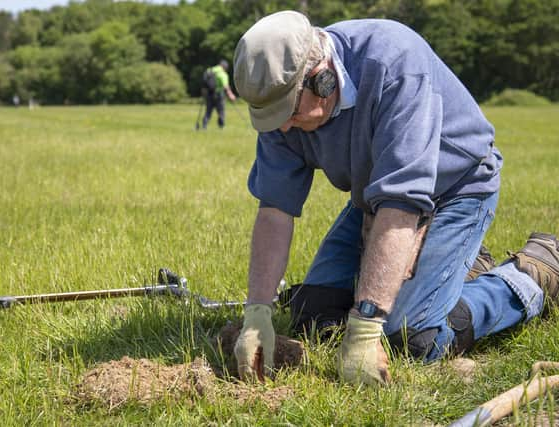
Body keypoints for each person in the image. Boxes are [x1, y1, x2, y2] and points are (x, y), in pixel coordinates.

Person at [231, 10, 559, 386]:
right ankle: (455, 267)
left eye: (289, 111)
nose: (284, 127)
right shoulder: (279, 103)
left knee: (411, 336)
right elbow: (275, 210)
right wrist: (257, 313)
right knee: (312, 312)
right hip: (378, 195)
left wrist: (367, 324)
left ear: (322, 78)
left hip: (455, 189)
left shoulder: (395, 63)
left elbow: (402, 204)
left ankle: (531, 275)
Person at [201, 59, 237, 129]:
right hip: (219, 95)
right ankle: (221, 126)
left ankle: (204, 126)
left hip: (209, 94)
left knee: (208, 111)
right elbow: (226, 86)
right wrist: (231, 95)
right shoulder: (223, 74)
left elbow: (204, 81)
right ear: (224, 67)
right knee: (221, 111)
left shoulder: (210, 70)